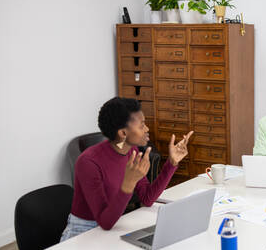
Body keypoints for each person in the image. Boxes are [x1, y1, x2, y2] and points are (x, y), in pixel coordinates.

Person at [61, 97, 193, 241]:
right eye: (142, 126)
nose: (147, 129)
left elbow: (147, 198)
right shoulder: (88, 162)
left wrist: (171, 163)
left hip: (114, 224)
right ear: (123, 133)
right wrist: (129, 183)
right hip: (83, 232)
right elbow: (104, 222)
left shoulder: (131, 151)